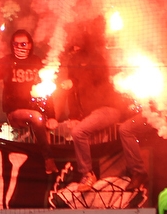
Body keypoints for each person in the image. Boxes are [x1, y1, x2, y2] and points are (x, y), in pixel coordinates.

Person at [58, 24, 149, 192]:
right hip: (91, 113)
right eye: (73, 44)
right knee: (72, 130)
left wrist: (75, 82)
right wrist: (73, 116)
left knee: (79, 132)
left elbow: (91, 80)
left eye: (77, 43)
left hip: (108, 109)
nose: (75, 47)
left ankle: (88, 174)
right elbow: (72, 93)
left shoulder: (96, 58)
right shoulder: (73, 62)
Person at [0, 30, 58, 174]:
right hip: (14, 113)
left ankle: (40, 171)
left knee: (43, 126)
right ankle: (49, 160)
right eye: (16, 44)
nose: (20, 47)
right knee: (36, 117)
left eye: (23, 44)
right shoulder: (7, 61)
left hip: (35, 111)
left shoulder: (36, 62)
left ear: (30, 45)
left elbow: (46, 89)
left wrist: (52, 115)